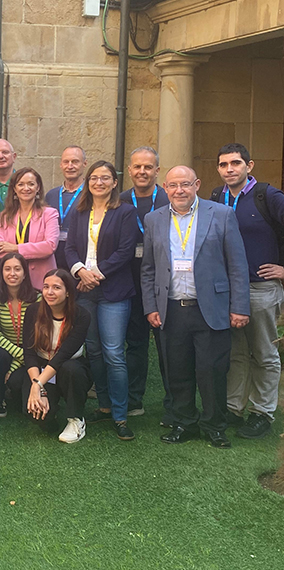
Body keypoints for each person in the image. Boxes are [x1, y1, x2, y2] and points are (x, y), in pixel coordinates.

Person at [141, 166, 250, 449]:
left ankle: (215, 426)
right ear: (165, 187)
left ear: (197, 184)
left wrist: (239, 307)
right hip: (172, 308)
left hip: (210, 307)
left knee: (212, 370)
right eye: (174, 185)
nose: (180, 190)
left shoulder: (221, 215)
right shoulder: (153, 219)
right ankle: (184, 423)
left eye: (186, 184)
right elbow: (149, 269)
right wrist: (151, 306)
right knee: (177, 370)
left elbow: (237, 266)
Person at [212, 143, 284, 439]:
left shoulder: (268, 196)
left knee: (264, 352)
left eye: (236, 163)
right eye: (223, 164)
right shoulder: (217, 198)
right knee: (237, 352)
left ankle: (262, 413)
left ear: (249, 166)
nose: (230, 169)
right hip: (227, 290)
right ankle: (233, 407)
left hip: (261, 287)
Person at [65, 161, 140, 441]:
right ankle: (105, 406)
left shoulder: (125, 212)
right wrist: (80, 272)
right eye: (94, 178)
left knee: (114, 353)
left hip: (113, 291)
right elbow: (70, 248)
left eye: (105, 178)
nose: (99, 182)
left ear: (114, 182)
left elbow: (125, 251)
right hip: (84, 290)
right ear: (88, 182)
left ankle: (121, 415)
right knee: (93, 351)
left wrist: (96, 273)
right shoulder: (79, 211)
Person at [118, 146, 171, 419]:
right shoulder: (120, 200)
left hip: (164, 284)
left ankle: (174, 403)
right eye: (137, 167)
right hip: (130, 281)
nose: (142, 172)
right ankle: (135, 400)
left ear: (157, 171)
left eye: (148, 167)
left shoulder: (168, 199)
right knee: (136, 344)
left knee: (168, 345)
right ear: (129, 170)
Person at [22, 269, 93, 443]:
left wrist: (38, 385)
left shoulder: (81, 315)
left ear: (68, 291)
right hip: (40, 367)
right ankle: (51, 412)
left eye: (56, 287)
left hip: (68, 366)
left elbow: (63, 355)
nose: (50, 292)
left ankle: (76, 419)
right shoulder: (33, 311)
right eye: (46, 287)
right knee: (38, 416)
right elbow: (29, 352)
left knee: (71, 369)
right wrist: (38, 387)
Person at [0, 252, 40, 418]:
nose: (12, 273)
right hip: (8, 351)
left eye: (17, 269)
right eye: (7, 269)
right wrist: (20, 355)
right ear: (1, 273)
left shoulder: (37, 299)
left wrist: (16, 365)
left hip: (32, 352)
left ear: (25, 273)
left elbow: (39, 335)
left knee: (18, 388)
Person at [0, 167, 59, 290]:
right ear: (14, 188)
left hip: (41, 280)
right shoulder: (6, 216)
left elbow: (50, 246)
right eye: (21, 184)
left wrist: (15, 248)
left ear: (38, 187)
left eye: (31, 184)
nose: (26, 188)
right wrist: (35, 249)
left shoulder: (49, 214)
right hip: (11, 281)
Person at [44, 146, 87, 270]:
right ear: (61, 165)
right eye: (66, 162)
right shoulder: (51, 195)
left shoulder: (90, 194)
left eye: (75, 161)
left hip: (80, 258)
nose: (70, 166)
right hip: (53, 257)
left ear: (84, 164)